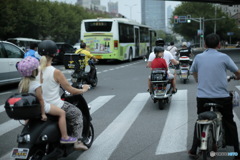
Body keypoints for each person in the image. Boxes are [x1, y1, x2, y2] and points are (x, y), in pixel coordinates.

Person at [189, 33, 240, 160]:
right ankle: (237, 152)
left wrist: (198, 80)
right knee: (229, 122)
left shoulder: (199, 57)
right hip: (222, 98)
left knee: (200, 120)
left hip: (202, 98)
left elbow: (193, 71)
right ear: (219, 45)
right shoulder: (224, 57)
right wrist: (237, 76)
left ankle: (193, 150)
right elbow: (237, 72)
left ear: (205, 45)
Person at [38, 40, 90, 150]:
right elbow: (71, 90)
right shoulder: (55, 72)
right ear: (54, 54)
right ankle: (78, 142)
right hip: (54, 105)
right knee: (77, 113)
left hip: (38, 105)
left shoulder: (33, 69)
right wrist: (84, 89)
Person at [16, 56, 77, 144]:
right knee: (62, 113)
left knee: (28, 121)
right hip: (40, 107)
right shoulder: (35, 84)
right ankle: (64, 137)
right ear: (34, 71)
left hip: (29, 108)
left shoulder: (22, 84)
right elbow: (41, 100)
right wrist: (43, 114)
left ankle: (26, 133)